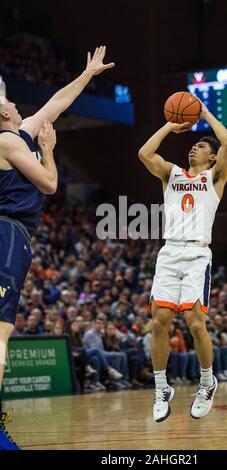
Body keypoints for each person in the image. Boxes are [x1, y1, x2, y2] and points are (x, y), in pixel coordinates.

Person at [0, 46, 115, 450]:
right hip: (6, 235)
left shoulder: (17, 134)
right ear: (3, 114)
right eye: (9, 100)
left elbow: (56, 103)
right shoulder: (8, 143)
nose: (15, 102)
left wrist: (88, 74)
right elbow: (50, 185)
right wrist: (49, 152)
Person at [138, 100, 227, 421]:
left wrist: (204, 114)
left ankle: (207, 382)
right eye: (193, 145)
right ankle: (162, 388)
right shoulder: (172, 174)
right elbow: (144, 154)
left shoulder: (215, 178)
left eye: (202, 146)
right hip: (169, 252)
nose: (195, 148)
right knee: (160, 322)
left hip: (197, 253)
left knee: (195, 322)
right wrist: (170, 124)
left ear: (211, 157)